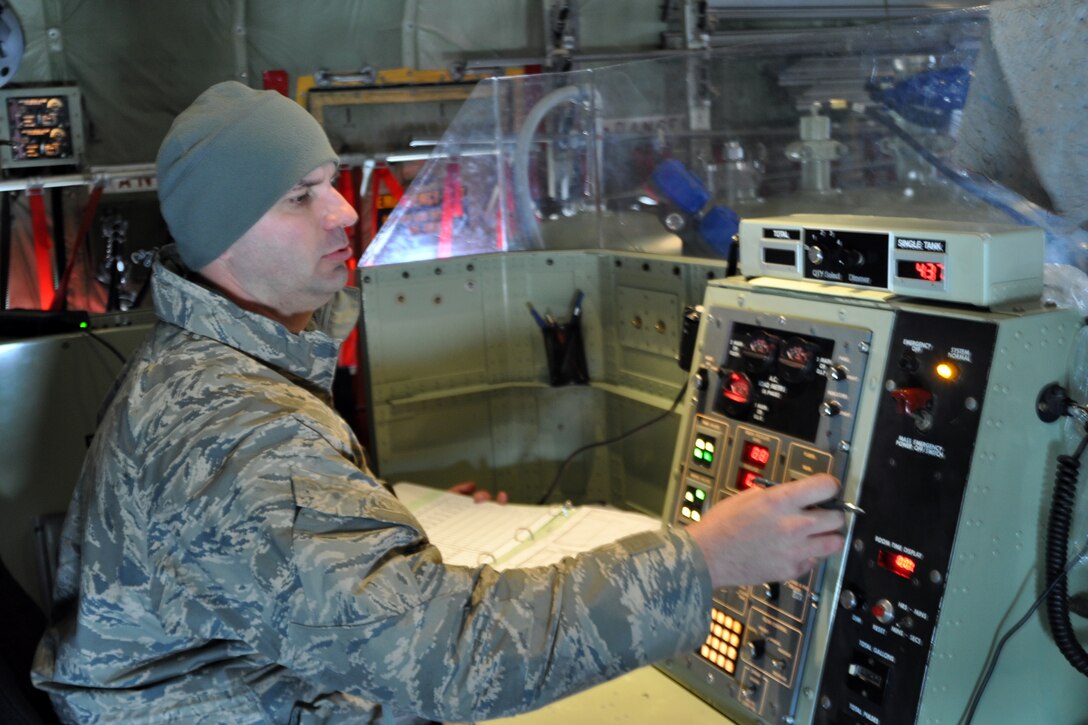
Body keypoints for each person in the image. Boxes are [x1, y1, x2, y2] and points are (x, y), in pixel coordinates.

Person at [31, 81, 844, 724]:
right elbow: (451, 660)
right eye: (299, 196)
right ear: (224, 238)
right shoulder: (240, 433)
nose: (345, 210)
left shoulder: (207, 364)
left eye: (331, 182)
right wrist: (706, 562)